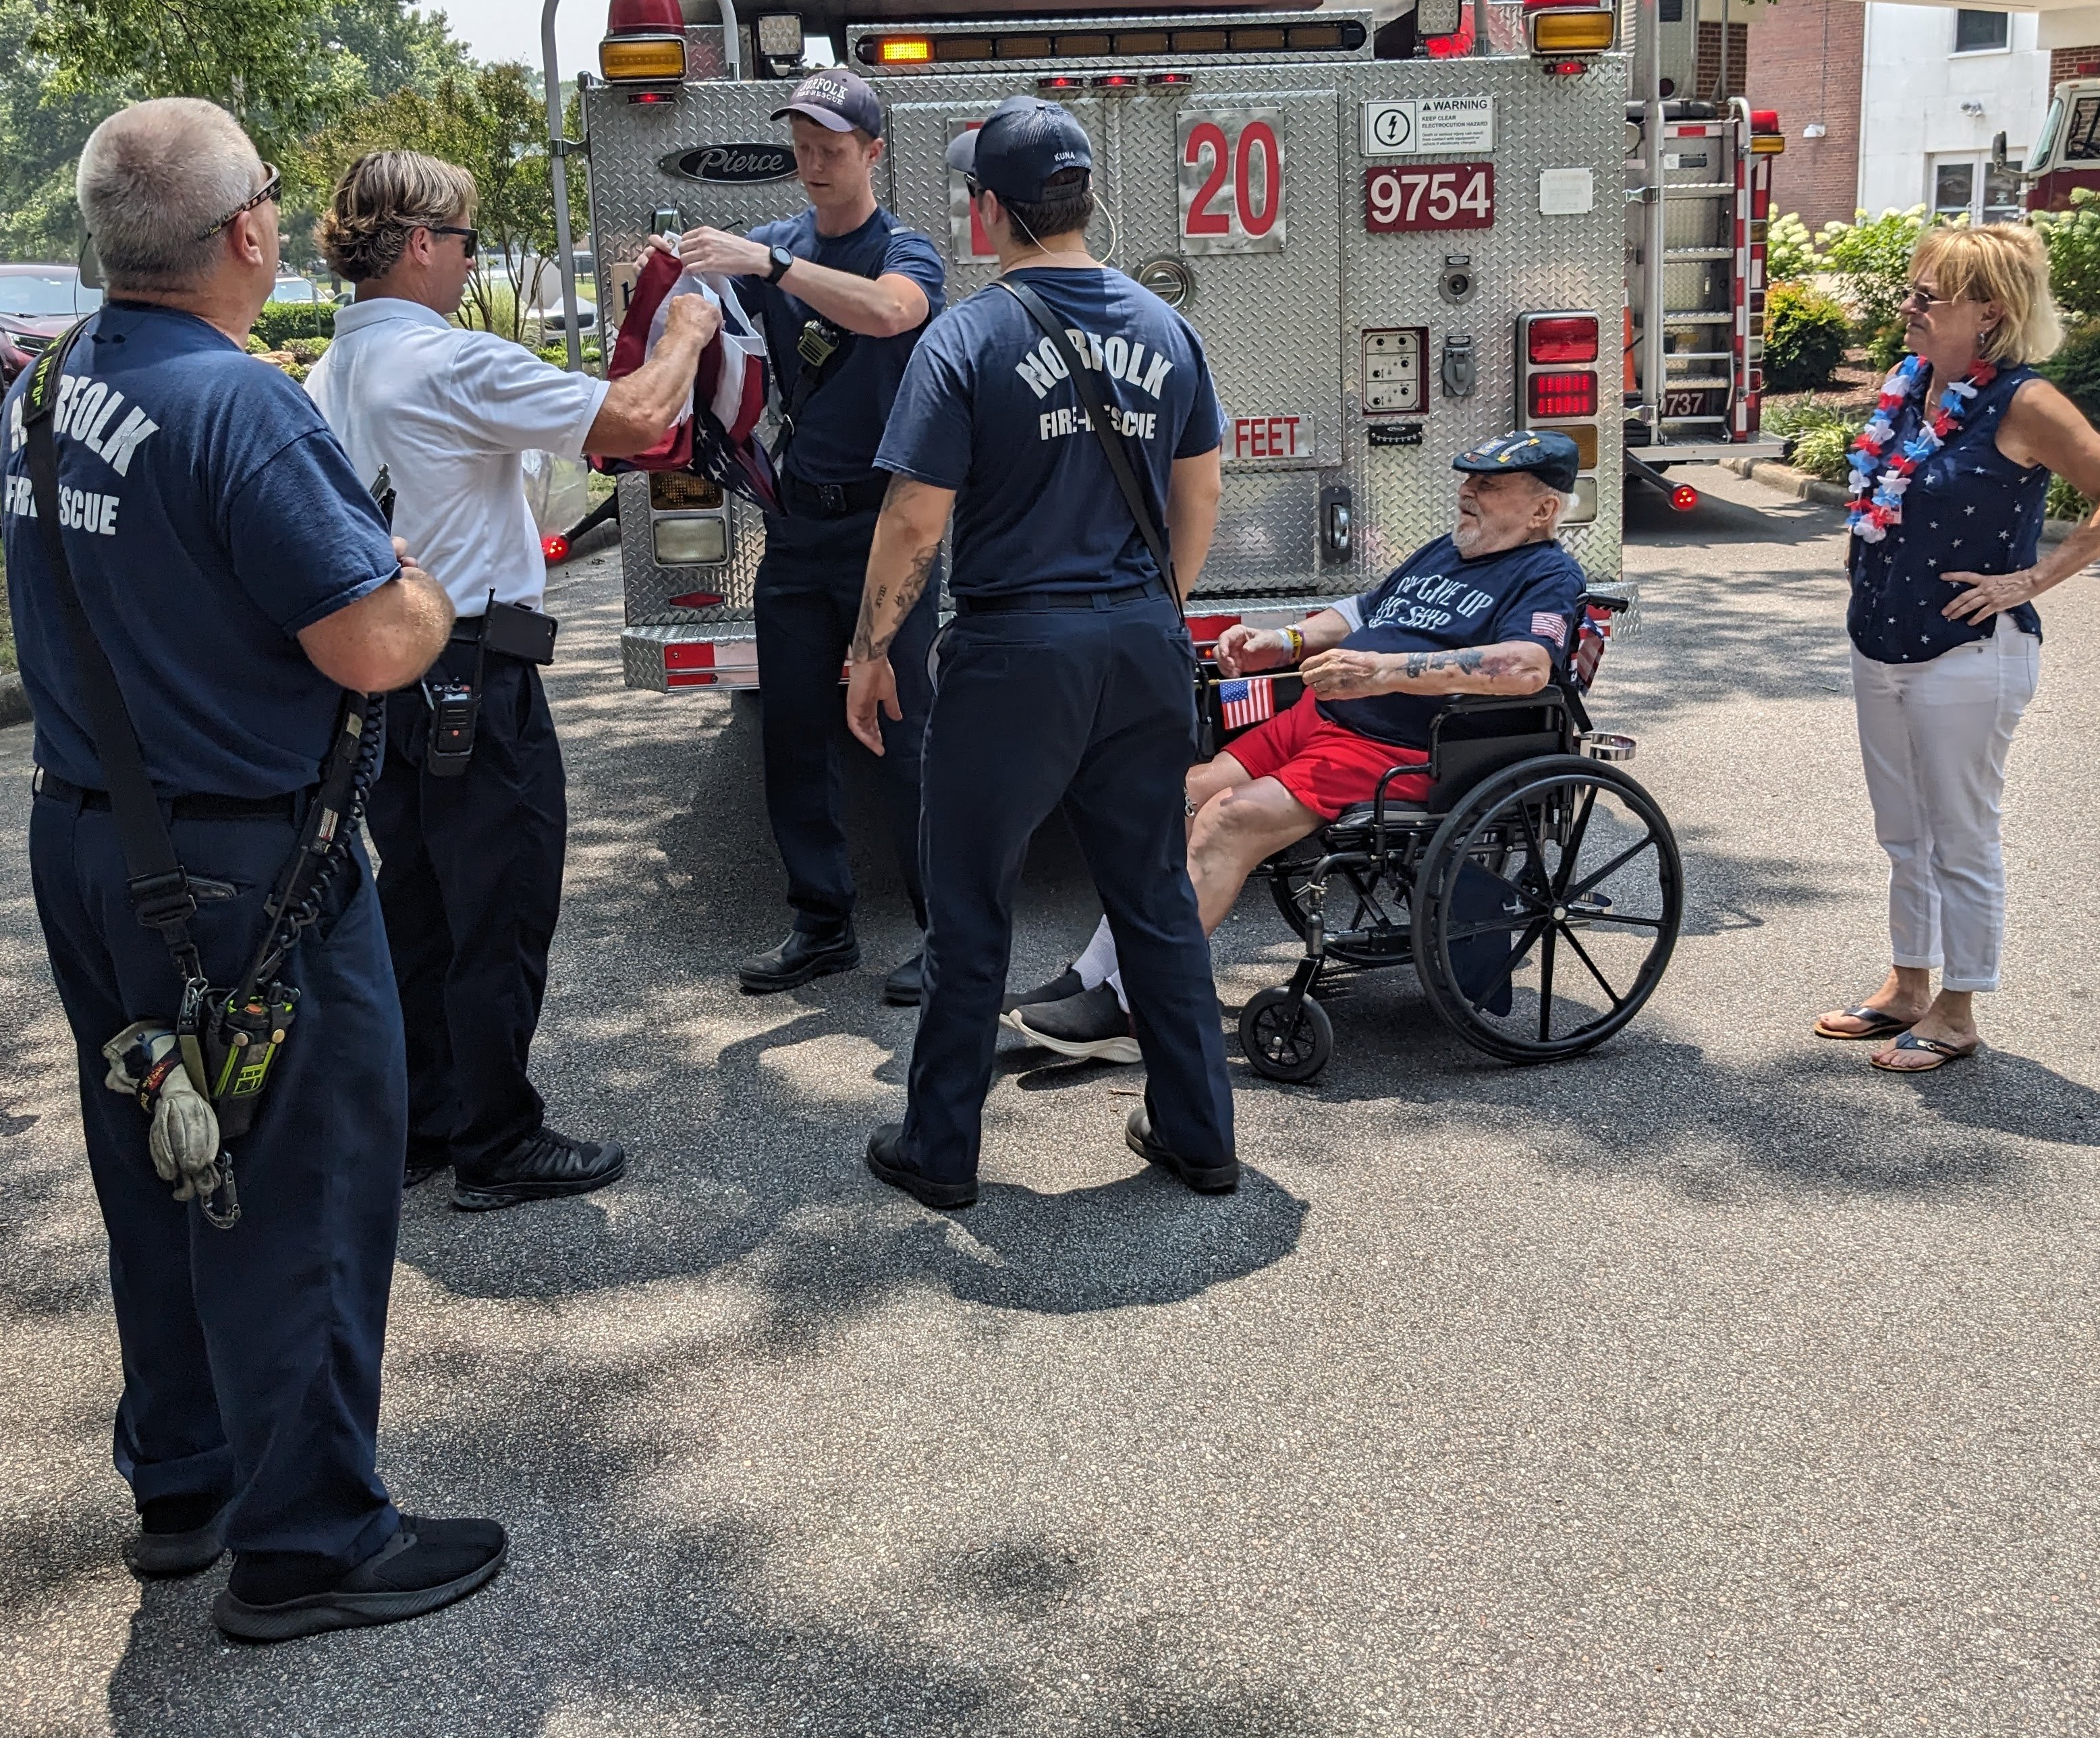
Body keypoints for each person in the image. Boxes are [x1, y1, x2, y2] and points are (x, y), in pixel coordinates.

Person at [6, 97, 496, 1642]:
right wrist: (415, 586)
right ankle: (310, 1541)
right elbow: (370, 638)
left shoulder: (53, 387)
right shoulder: (242, 407)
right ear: (246, 234)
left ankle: (185, 1474)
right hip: (247, 871)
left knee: (160, 1158)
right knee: (298, 1187)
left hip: (94, 841)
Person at [844, 92, 1234, 1208]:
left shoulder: (965, 336)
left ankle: (939, 1148)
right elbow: (1197, 485)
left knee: (972, 904)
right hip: (1141, 642)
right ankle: (1201, 1134)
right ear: (1085, 199)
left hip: (1017, 649)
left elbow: (917, 518)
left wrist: (873, 645)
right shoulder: (1167, 327)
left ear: (986, 213)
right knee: (1152, 890)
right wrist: (1156, 602)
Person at [309, 149, 715, 1210]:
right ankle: (497, 1139)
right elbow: (636, 419)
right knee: (500, 908)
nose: (469, 261)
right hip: (470, 676)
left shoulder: (332, 371)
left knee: (420, 909)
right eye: (469, 242)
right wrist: (684, 332)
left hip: (384, 676)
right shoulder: (450, 362)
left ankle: (422, 1120)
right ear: (422, 245)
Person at [1009, 438, 1590, 1061]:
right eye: (1468, 479)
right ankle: (1095, 972)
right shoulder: (1445, 552)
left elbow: (1528, 667)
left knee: (1227, 821)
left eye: (1492, 486)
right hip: (1320, 716)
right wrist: (1283, 641)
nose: (1468, 492)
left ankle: (1131, 1006)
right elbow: (1362, 610)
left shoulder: (1547, 575)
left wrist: (1385, 673)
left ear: (1543, 510)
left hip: (1396, 750)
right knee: (1171, 797)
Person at [1808, 223, 2100, 1072]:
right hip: (1881, 638)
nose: (1910, 307)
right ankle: (1908, 983)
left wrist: (2028, 581)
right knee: (1902, 829)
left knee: (1960, 832)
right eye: (1913, 291)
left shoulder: (2025, 402)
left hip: (1968, 651)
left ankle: (1959, 1009)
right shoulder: (1909, 382)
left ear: (1990, 313)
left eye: (1931, 296)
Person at [669, 70, 947, 1005]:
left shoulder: (903, 248)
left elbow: (893, 313)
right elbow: (715, 330)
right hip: (798, 525)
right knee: (792, 730)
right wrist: (671, 281)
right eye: (803, 145)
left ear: (873, 153)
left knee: (905, 734)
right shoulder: (773, 243)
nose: (815, 163)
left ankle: (943, 933)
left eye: (834, 147)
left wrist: (771, 268)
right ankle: (822, 923)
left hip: (887, 528)